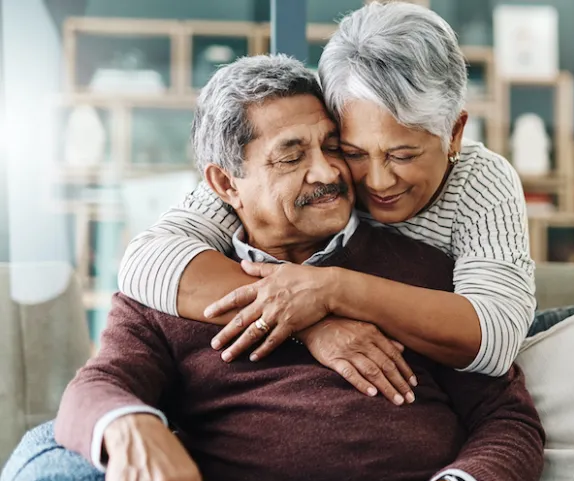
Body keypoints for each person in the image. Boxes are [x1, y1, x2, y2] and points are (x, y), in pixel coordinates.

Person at [2, 55, 574, 481]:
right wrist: (132, 429)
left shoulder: (417, 271)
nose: (329, 173)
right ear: (226, 183)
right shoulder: (172, 289)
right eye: (291, 156)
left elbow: (508, 417)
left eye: (332, 146)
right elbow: (94, 388)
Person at [117, 1, 535, 388]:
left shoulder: (481, 182)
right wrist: (309, 320)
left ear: (454, 133)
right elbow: (146, 261)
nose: (377, 181)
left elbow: (497, 339)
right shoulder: (315, 170)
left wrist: (333, 290)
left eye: (403, 154)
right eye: (352, 151)